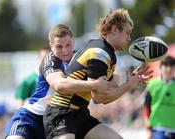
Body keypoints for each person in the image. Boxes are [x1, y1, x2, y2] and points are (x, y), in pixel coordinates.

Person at [43, 8, 153, 139]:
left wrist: (130, 80)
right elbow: (99, 98)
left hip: (80, 114)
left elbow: (108, 85)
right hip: (61, 113)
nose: (129, 38)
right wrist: (128, 86)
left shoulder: (105, 51)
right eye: (127, 33)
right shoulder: (100, 53)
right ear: (115, 30)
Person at [5, 24, 109, 139]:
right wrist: (95, 85)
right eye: (59, 46)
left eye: (68, 45)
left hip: (62, 118)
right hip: (32, 117)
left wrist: (124, 83)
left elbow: (110, 75)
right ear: (51, 46)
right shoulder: (49, 59)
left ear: (73, 42)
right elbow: (59, 85)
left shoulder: (81, 58)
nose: (64, 50)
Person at [143, 56, 175, 139]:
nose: (169, 69)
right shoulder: (152, 85)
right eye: (166, 66)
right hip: (158, 128)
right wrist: (147, 129)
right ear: (161, 68)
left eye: (172, 66)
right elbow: (146, 107)